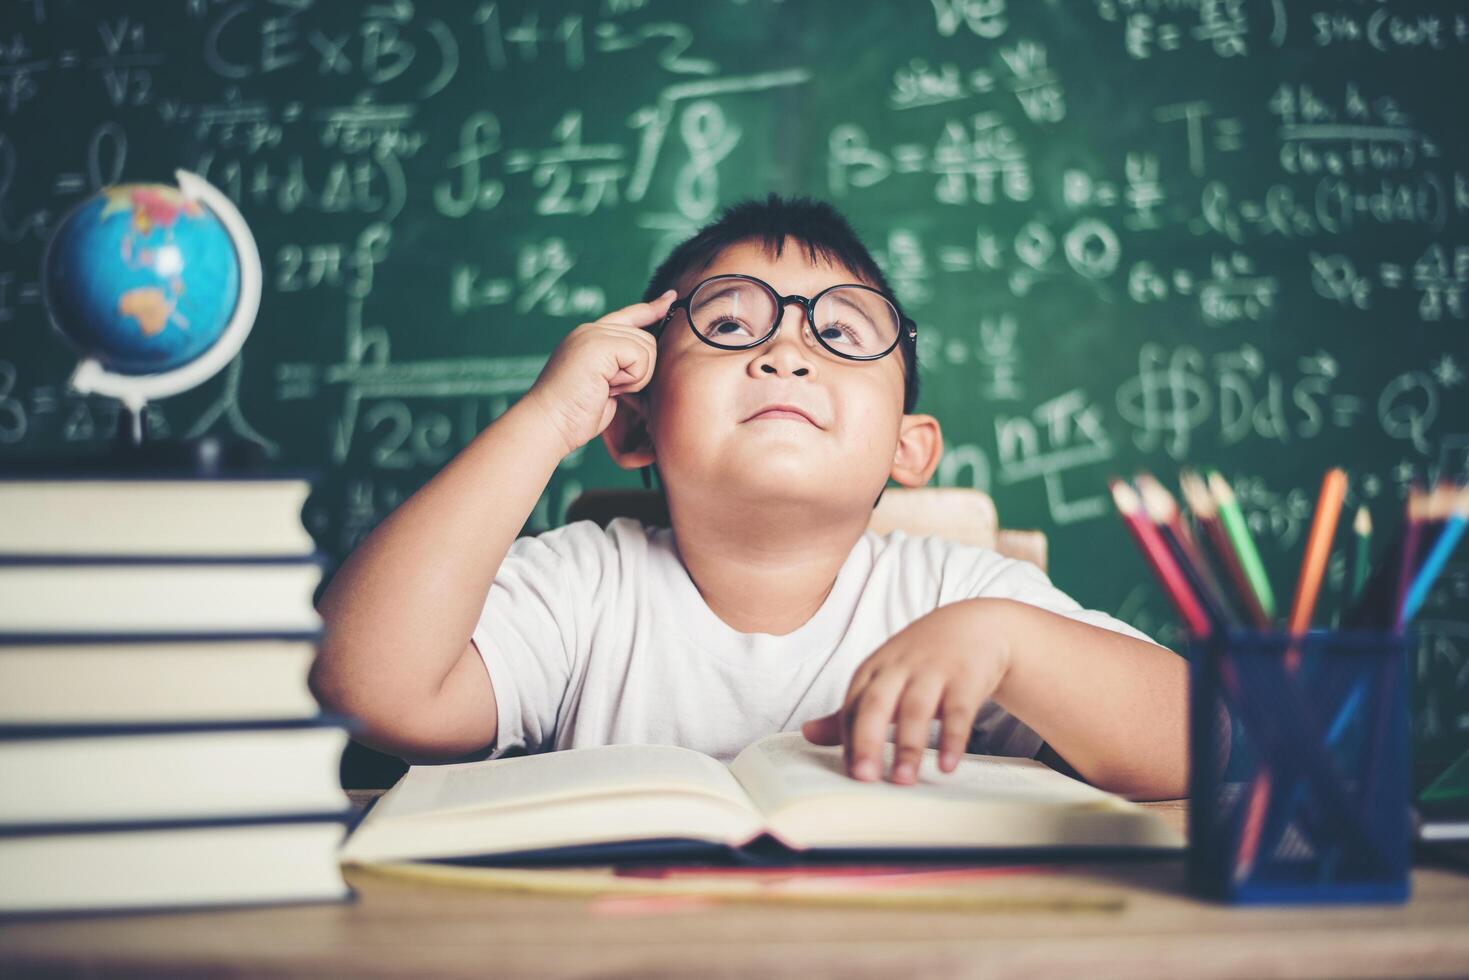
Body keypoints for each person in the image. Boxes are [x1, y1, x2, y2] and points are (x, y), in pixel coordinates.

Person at [311, 195, 1188, 800]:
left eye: (839, 331)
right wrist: (546, 417)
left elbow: (1198, 742)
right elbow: (370, 688)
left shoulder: (962, 602)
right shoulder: (582, 587)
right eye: (730, 325)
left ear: (907, 450)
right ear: (632, 428)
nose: (786, 352)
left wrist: (1010, 644)